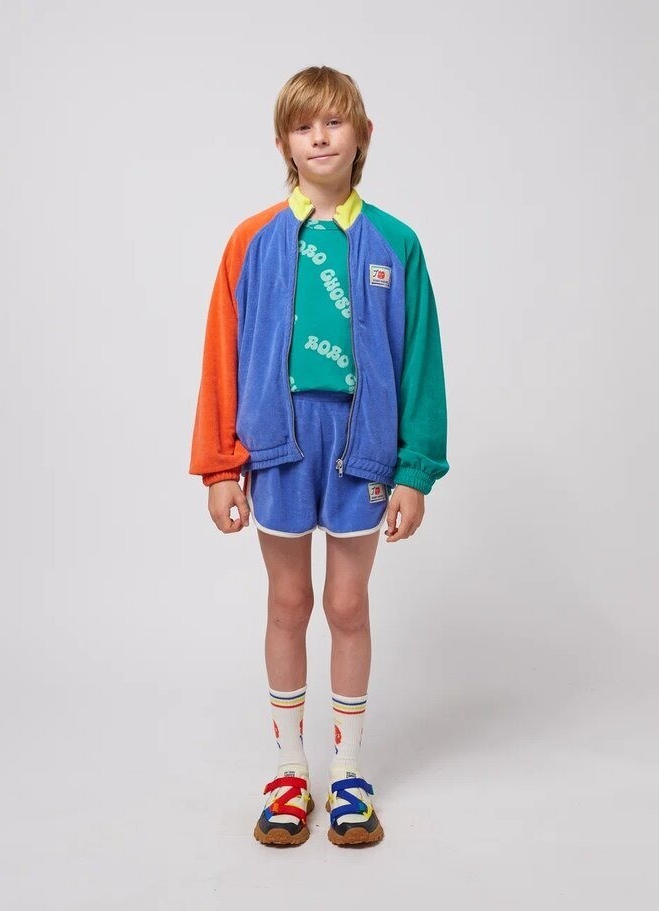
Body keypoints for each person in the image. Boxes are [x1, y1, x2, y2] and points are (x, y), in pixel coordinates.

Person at [189, 65, 449, 848]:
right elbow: (223, 353)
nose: (320, 137)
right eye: (304, 126)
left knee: (346, 605)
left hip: (361, 450)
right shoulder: (252, 240)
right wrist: (220, 465)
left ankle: (349, 773)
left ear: (362, 136)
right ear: (283, 144)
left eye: (334, 122)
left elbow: (420, 362)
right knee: (287, 602)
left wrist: (413, 468)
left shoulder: (396, 243)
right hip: (278, 446)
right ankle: (287, 770)